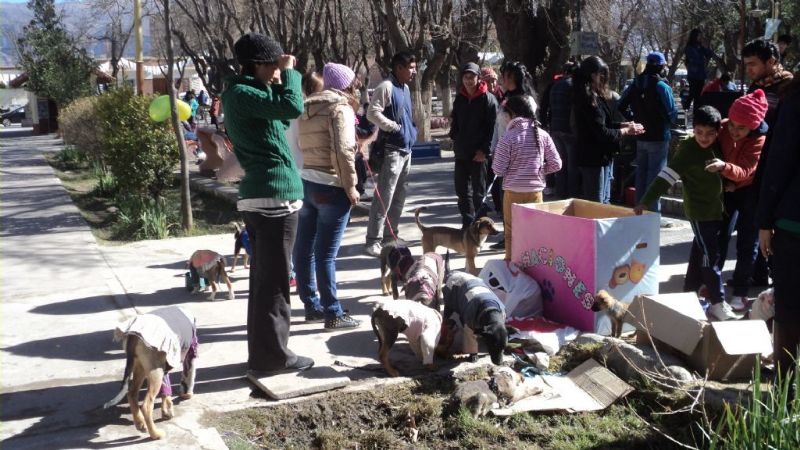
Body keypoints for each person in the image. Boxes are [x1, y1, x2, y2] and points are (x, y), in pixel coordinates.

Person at [221, 33, 313, 376]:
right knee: (274, 285)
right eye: (273, 64)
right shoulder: (243, 94)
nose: (278, 71)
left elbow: (282, 103)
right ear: (258, 64)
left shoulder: (246, 92)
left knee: (264, 283)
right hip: (273, 199)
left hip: (262, 198)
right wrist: (290, 72)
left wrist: (280, 74)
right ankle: (275, 357)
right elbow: (293, 106)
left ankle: (263, 355)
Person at [635, 105, 739, 321]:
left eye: (710, 133)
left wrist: (729, 183)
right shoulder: (688, 150)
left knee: (702, 251)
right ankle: (717, 302)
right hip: (699, 212)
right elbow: (665, 178)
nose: (704, 138)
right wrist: (645, 201)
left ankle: (690, 292)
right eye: (699, 132)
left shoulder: (720, 144)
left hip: (716, 210)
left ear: (718, 132)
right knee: (711, 256)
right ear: (693, 129)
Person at [294, 63, 362, 330]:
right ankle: (333, 312)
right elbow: (344, 151)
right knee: (325, 254)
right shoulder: (340, 108)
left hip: (308, 181)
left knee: (305, 249)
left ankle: (312, 305)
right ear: (346, 85)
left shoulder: (308, 107)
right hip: (332, 185)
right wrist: (351, 186)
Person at [704, 89, 768, 313]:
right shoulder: (722, 127)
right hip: (728, 187)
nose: (734, 131)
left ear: (752, 126)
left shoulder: (759, 139)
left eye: (741, 128)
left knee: (747, 243)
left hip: (750, 191)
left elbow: (746, 171)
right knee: (719, 236)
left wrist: (725, 169)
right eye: (731, 125)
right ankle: (712, 286)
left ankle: (740, 292)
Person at [756, 78, 800, 380]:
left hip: (792, 221)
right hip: (792, 219)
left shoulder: (795, 101)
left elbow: (778, 161)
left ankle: (786, 390)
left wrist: (764, 220)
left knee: (790, 308)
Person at [743, 38, 794, 287]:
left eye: (753, 64)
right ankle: (756, 272)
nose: (749, 69)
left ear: (772, 62)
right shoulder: (755, 88)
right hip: (757, 166)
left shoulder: (789, 89)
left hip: (780, 172)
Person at [491, 95, 561, 261]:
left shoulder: (508, 137)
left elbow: (498, 170)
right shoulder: (542, 135)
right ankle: (534, 265)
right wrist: (539, 171)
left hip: (512, 193)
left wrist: (512, 170)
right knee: (535, 232)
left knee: (511, 232)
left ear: (512, 114)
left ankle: (512, 265)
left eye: (506, 114)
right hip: (536, 192)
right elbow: (557, 163)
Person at [364, 51, 418, 257]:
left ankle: (390, 236)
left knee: (399, 196)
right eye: (411, 68)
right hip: (392, 150)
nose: (413, 72)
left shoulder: (404, 88)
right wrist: (392, 127)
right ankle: (373, 240)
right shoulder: (386, 87)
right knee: (384, 196)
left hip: (406, 150)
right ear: (399, 68)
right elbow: (372, 112)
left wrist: (411, 131)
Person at [572, 56, 643, 204]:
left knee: (604, 200)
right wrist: (625, 131)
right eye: (601, 75)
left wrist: (623, 125)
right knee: (596, 202)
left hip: (602, 156)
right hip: (592, 159)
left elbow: (605, 124)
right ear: (593, 75)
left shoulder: (596, 97)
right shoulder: (587, 100)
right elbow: (602, 132)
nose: (603, 78)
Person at [618, 52, 678, 213]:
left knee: (641, 176)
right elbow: (672, 112)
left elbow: (621, 105)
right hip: (659, 137)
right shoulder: (662, 86)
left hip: (640, 137)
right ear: (661, 66)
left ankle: (639, 213)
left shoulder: (635, 84)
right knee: (655, 179)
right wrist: (667, 123)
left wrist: (634, 119)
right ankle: (652, 215)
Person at [487, 61, 535, 250]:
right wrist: (494, 148)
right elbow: (498, 127)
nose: (502, 79)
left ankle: (521, 240)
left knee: (517, 202)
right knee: (504, 198)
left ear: (515, 77)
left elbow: (530, 131)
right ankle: (509, 238)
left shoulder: (527, 101)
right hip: (502, 152)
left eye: (506, 75)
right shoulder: (505, 99)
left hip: (518, 158)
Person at [449, 62, 498, 228]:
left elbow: (492, 128)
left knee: (478, 194)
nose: (468, 81)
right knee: (462, 192)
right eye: (465, 77)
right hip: (462, 152)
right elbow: (455, 121)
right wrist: (454, 137)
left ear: (478, 78)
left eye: (472, 77)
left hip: (479, 154)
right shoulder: (460, 98)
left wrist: (484, 150)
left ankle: (481, 226)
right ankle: (468, 224)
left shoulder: (488, 100)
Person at [548, 62, 578, 199]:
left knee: (560, 165)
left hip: (555, 128)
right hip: (568, 130)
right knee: (572, 167)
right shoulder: (573, 86)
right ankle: (571, 196)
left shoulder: (555, 86)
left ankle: (560, 194)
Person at [683, 28, 722, 112]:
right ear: (695, 36)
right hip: (693, 74)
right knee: (693, 93)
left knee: (699, 95)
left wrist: (706, 46)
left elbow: (709, 53)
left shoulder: (700, 47)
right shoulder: (690, 47)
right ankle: (687, 106)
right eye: (699, 35)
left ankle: (696, 110)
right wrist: (702, 59)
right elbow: (694, 59)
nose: (700, 37)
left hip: (700, 75)